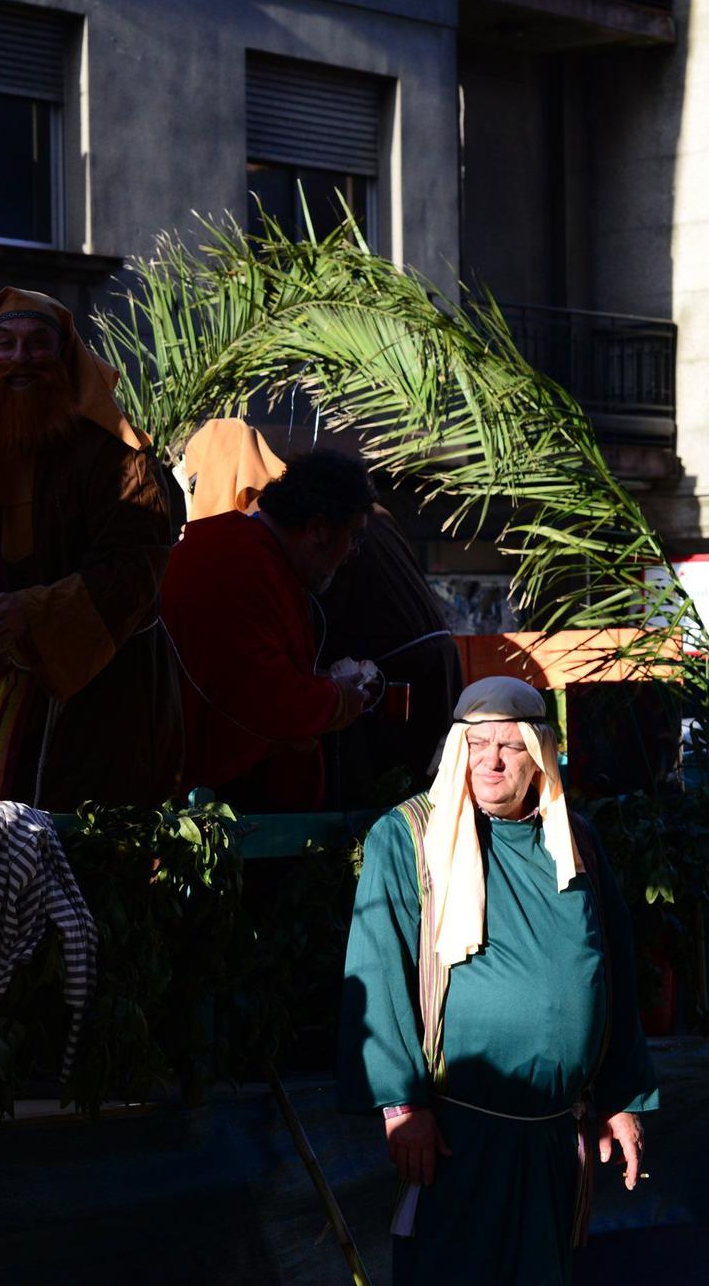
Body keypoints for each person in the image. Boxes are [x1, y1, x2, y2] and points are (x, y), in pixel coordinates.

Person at [338, 676, 657, 1284]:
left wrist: (620, 1097)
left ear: (538, 756)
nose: (491, 759)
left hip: (554, 1138)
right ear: (458, 747)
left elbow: (613, 968)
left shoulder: (575, 840)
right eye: (477, 742)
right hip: (459, 1139)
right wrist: (401, 1105)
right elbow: (377, 972)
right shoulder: (407, 839)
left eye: (509, 746)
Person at [0, 289, 183, 809]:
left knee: (89, 854)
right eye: (4, 345)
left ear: (65, 358)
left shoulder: (118, 458)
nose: (19, 359)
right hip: (9, 684)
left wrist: (28, 611)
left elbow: (132, 571)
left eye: (36, 344)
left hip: (108, 694)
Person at [161, 448, 377, 810]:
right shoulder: (238, 563)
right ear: (318, 529)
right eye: (353, 537)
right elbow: (262, 697)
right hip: (212, 806)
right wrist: (337, 700)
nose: (353, 552)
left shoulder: (258, 555)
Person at [318, 504, 464, 807]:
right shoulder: (373, 512)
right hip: (431, 653)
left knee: (396, 787)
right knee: (429, 781)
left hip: (396, 665)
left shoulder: (330, 518)